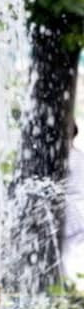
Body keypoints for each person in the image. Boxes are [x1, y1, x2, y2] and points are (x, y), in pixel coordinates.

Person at [62, 123, 84, 289]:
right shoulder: (80, 157)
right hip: (76, 213)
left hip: (69, 213)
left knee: (66, 255)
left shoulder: (68, 158)